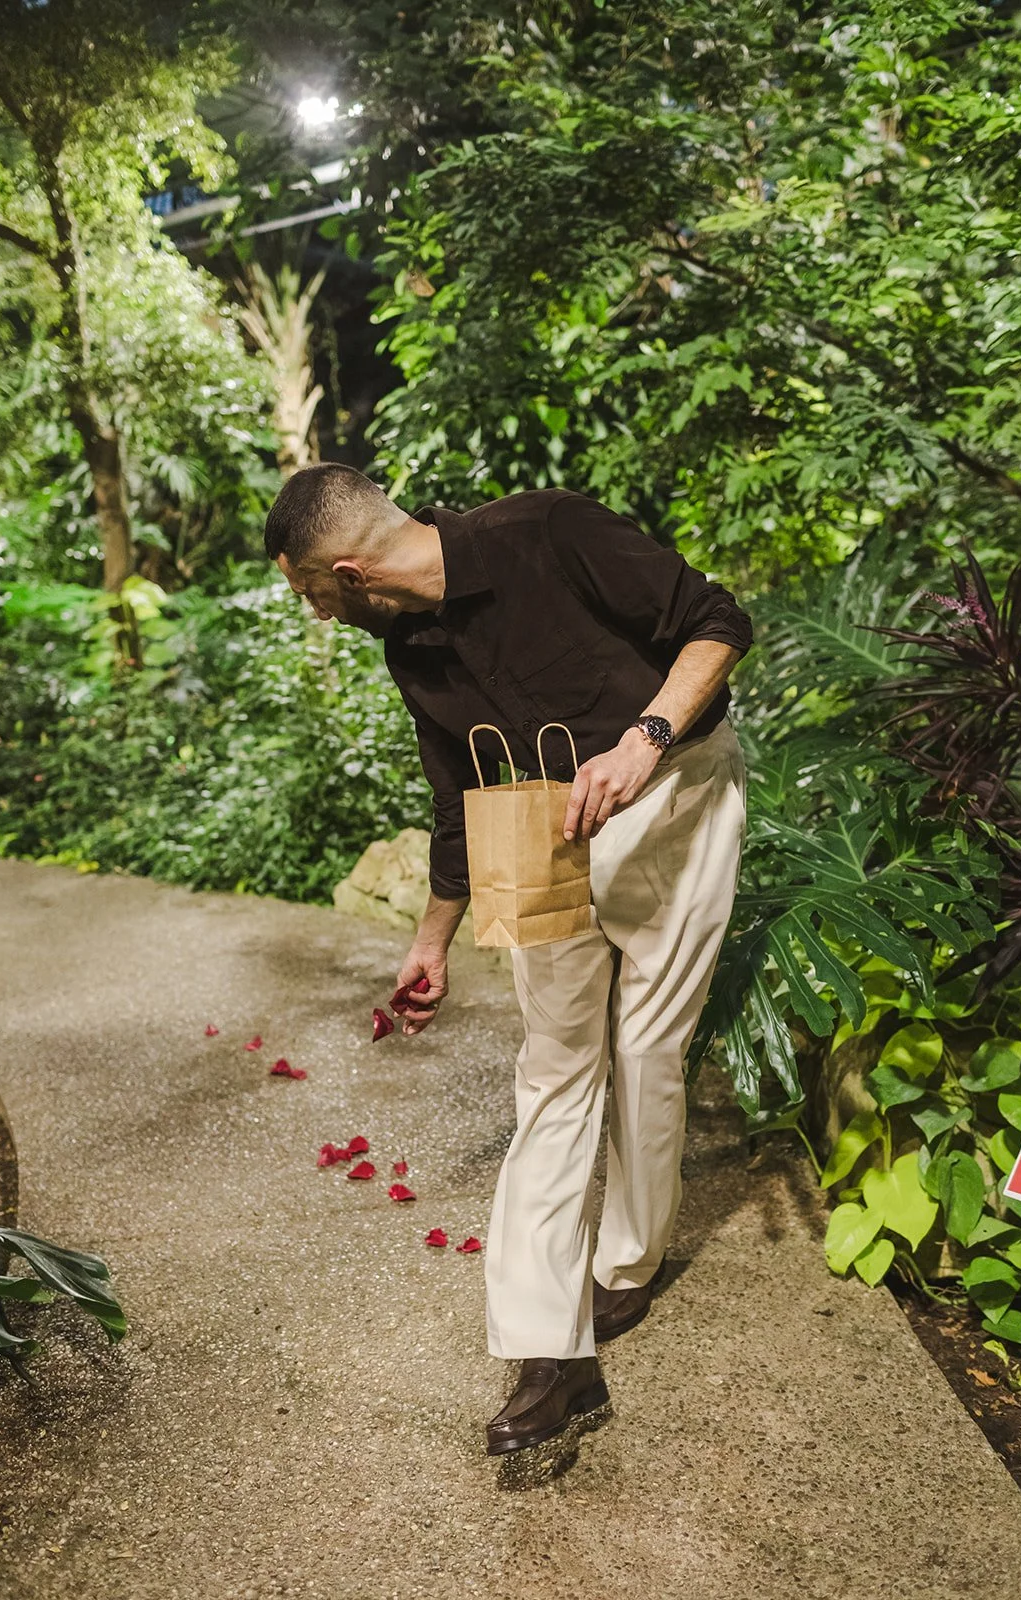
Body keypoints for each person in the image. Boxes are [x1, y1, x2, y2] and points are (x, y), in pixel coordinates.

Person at [265, 464, 753, 1456]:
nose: (315, 614)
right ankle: (546, 1356)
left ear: (350, 570)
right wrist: (428, 941)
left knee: (648, 1051)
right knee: (552, 1072)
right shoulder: (412, 652)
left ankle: (628, 1262)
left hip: (676, 799)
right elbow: (455, 802)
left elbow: (716, 621)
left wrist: (642, 740)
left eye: (310, 594)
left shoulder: (547, 529)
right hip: (536, 834)